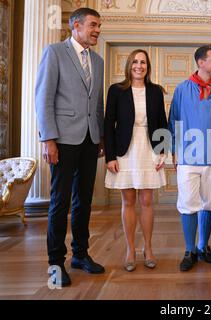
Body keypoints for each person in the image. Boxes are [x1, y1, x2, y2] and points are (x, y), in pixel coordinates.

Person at [35, 7, 105, 287]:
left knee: (83, 201)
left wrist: (100, 138)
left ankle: (80, 254)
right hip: (62, 140)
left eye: (99, 25)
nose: (97, 30)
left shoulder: (98, 60)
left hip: (89, 140)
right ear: (75, 25)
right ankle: (55, 263)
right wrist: (48, 138)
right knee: (59, 202)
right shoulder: (54, 52)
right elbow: (44, 97)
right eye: (93, 25)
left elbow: (96, 103)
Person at [168, 45, 211, 272]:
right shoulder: (182, 89)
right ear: (201, 62)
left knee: (209, 204)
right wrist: (173, 150)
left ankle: (204, 246)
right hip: (187, 156)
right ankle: (189, 249)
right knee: (187, 205)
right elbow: (173, 119)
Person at [104, 49, 167, 272]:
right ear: (129, 65)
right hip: (125, 150)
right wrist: (110, 157)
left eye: (143, 62)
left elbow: (162, 123)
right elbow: (108, 124)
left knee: (147, 201)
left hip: (149, 149)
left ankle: (148, 249)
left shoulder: (155, 91)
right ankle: (130, 249)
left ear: (147, 66)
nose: (139, 66)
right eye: (135, 62)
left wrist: (162, 152)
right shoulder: (116, 91)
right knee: (128, 201)